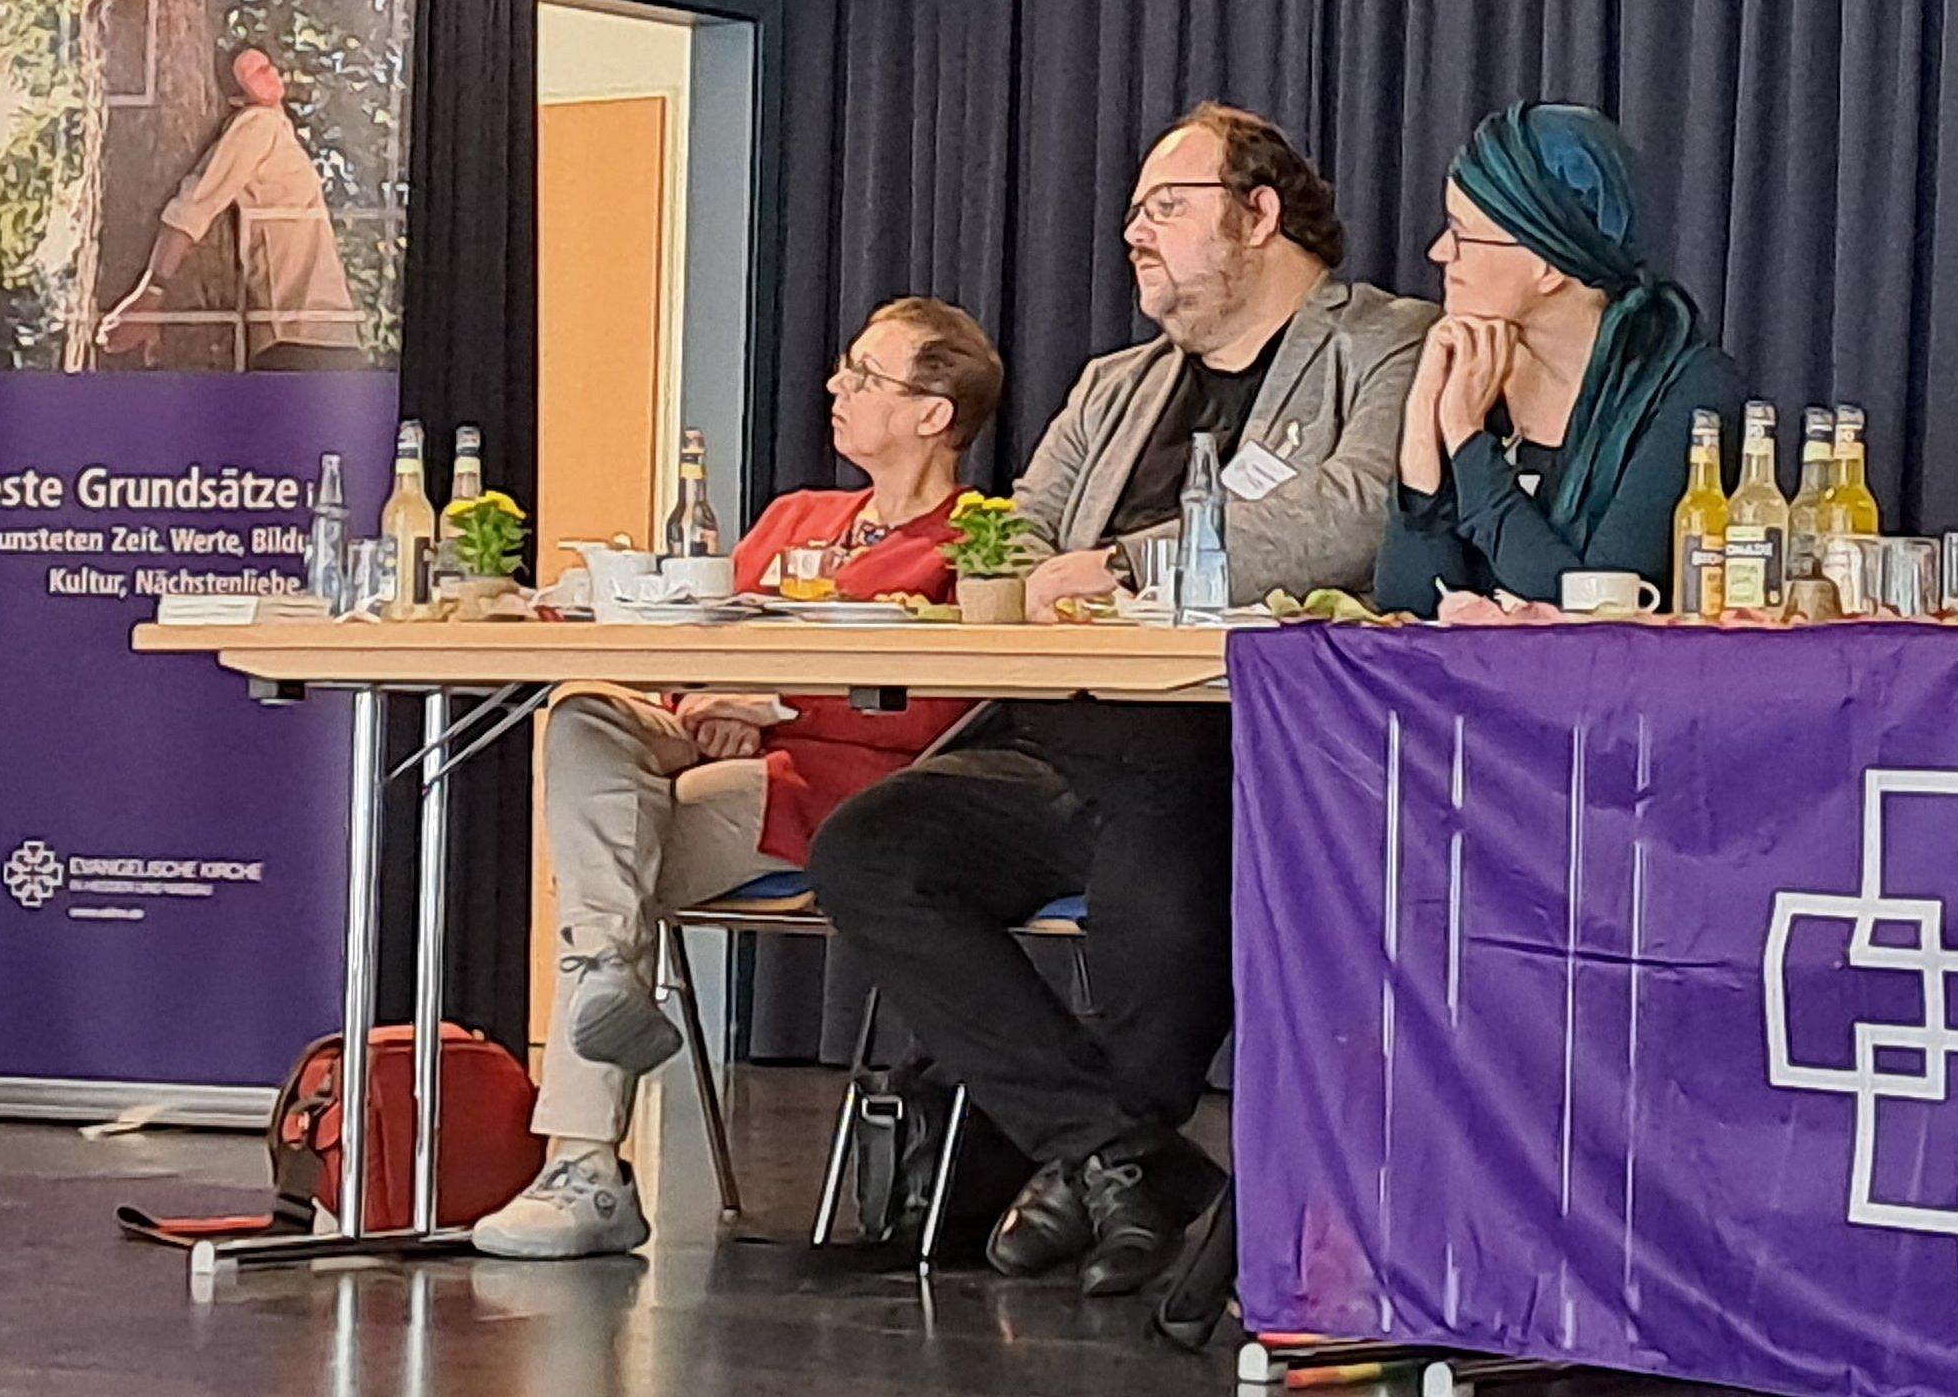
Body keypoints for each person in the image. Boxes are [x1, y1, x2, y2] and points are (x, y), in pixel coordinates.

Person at [809, 105, 1433, 1297]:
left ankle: (1100, 1161)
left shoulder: (1383, 343)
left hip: (1233, 743)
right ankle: (1126, 1161)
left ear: (1259, 214)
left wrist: (1126, 566)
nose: (1133, 231)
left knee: (1168, 894)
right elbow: (1015, 526)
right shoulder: (1116, 383)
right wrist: (1022, 564)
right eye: (1136, 210)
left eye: (1166, 205)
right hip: (1060, 734)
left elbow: (1355, 514)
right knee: (874, 846)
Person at [471, 298, 1005, 1260]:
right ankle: (599, 1024)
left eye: (864, 376)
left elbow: (932, 708)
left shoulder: (973, 541)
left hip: (819, 793)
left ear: (933, 412)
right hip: (698, 752)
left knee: (603, 898)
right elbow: (695, 635)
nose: (834, 387)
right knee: (586, 711)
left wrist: (772, 703)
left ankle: (586, 1162)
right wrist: (702, 697)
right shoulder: (795, 515)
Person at [1375, 103, 1743, 611]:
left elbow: (1594, 611)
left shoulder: (1690, 392)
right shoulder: (1474, 370)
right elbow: (1407, 608)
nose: (1439, 252)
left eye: (1462, 234)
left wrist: (1466, 442)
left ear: (1548, 267)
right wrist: (1423, 429)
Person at [98, 45, 363, 370]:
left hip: (329, 333)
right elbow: (195, 203)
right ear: (239, 97)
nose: (268, 74)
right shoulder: (256, 123)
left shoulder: (281, 133)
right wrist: (151, 292)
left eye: (267, 65)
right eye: (254, 73)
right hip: (297, 336)